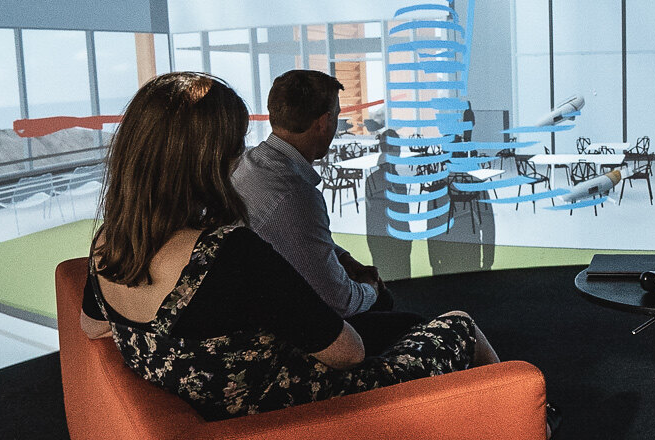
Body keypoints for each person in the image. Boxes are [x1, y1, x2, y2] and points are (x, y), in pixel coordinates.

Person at [78, 71, 500, 421]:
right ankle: (521, 424)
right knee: (459, 325)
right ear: (211, 160)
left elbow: (92, 326)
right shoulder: (231, 255)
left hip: (232, 408)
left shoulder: (107, 247)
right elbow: (349, 354)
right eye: (234, 145)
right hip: (297, 415)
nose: (240, 156)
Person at [233, 69, 427, 353]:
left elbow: (289, 234)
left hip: (262, 310)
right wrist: (371, 288)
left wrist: (346, 260)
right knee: (416, 326)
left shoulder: (249, 163)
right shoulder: (295, 194)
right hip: (287, 336)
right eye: (336, 115)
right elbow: (339, 302)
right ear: (324, 122)